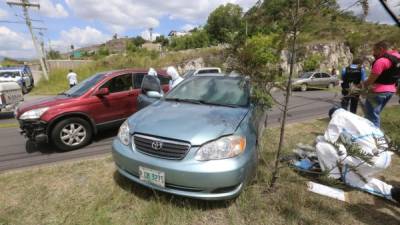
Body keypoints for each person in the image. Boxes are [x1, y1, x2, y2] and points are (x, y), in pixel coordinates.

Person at [316, 107, 399, 203]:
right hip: (385, 158)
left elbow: (330, 140)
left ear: (331, 116)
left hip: (370, 159)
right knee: (356, 176)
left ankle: (333, 179)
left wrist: (320, 140)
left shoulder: (337, 117)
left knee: (321, 145)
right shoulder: (361, 120)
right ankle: (392, 192)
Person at [363, 41, 400, 127]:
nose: (373, 53)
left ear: (381, 49)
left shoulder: (381, 61)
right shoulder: (398, 57)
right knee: (375, 114)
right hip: (390, 91)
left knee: (371, 117)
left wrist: (360, 87)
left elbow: (370, 81)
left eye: (375, 50)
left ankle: (375, 138)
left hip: (377, 92)